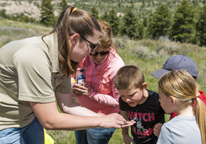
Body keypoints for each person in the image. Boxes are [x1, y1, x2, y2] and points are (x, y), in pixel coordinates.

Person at [0, 6, 134, 144]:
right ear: (75, 39)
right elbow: (50, 120)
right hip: (6, 125)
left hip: (29, 118)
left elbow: (67, 104)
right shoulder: (35, 57)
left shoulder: (63, 56)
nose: (91, 53)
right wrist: (101, 121)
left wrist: (108, 120)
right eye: (92, 46)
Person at [72, 20, 125, 144]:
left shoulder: (116, 67)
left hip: (103, 118)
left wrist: (91, 94)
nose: (99, 57)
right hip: (79, 111)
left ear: (110, 47)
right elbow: (69, 75)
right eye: (94, 53)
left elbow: (119, 102)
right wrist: (73, 87)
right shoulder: (83, 54)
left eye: (104, 53)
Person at [151, 54, 206, 136]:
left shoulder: (184, 106)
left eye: (166, 80)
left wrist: (164, 135)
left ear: (180, 82)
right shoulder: (197, 100)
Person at [114, 65, 165, 144]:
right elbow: (124, 115)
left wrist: (165, 130)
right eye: (122, 95)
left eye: (131, 95)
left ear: (143, 87)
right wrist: (125, 135)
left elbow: (174, 116)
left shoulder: (156, 100)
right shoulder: (123, 101)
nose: (127, 100)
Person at [157, 70, 206, 144]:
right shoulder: (202, 118)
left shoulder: (170, 129)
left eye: (160, 97)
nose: (159, 100)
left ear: (171, 101)